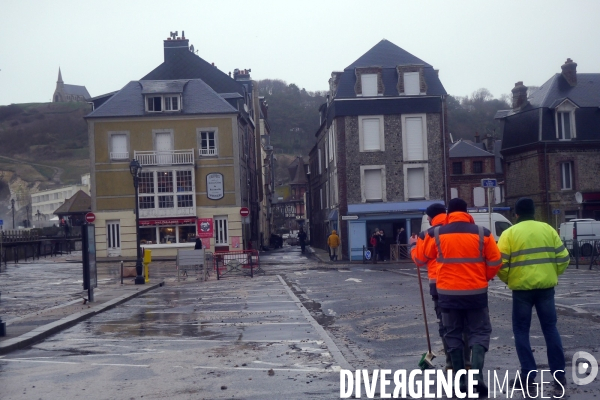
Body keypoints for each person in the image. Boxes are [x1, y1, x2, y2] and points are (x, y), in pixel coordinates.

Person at [421, 198, 502, 395]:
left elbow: (423, 257)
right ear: (468, 212)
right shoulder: (484, 233)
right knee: (479, 332)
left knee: (453, 333)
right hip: (476, 293)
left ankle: (459, 380)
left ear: (449, 213)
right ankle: (476, 377)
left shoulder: (437, 233)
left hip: (447, 294)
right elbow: (496, 261)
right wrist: (484, 277)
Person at [497, 198, 569, 391]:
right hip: (546, 289)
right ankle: (559, 375)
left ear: (516, 214)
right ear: (534, 212)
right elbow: (564, 258)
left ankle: (528, 375)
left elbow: (500, 264)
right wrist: (551, 274)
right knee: (550, 329)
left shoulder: (509, 233)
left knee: (521, 331)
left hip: (521, 290)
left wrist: (509, 279)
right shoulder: (548, 230)